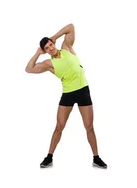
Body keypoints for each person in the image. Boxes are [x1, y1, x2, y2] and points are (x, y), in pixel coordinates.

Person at [25, 23, 108, 169]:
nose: (50, 48)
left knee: (89, 126)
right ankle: (49, 156)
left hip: (83, 90)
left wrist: (54, 36)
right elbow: (28, 69)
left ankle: (96, 157)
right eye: (47, 48)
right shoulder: (48, 63)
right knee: (59, 126)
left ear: (53, 43)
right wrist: (38, 53)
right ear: (45, 51)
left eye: (50, 44)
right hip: (68, 94)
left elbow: (71, 27)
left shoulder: (66, 47)